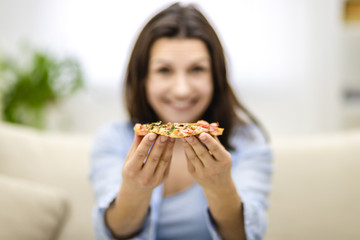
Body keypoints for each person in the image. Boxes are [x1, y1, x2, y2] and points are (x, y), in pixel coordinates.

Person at [90, 2, 272, 240]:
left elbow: (248, 236)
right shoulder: (113, 140)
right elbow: (111, 234)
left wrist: (220, 188)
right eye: (164, 70)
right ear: (143, 78)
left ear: (216, 77)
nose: (182, 90)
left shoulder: (248, 140)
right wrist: (135, 190)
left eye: (197, 69)